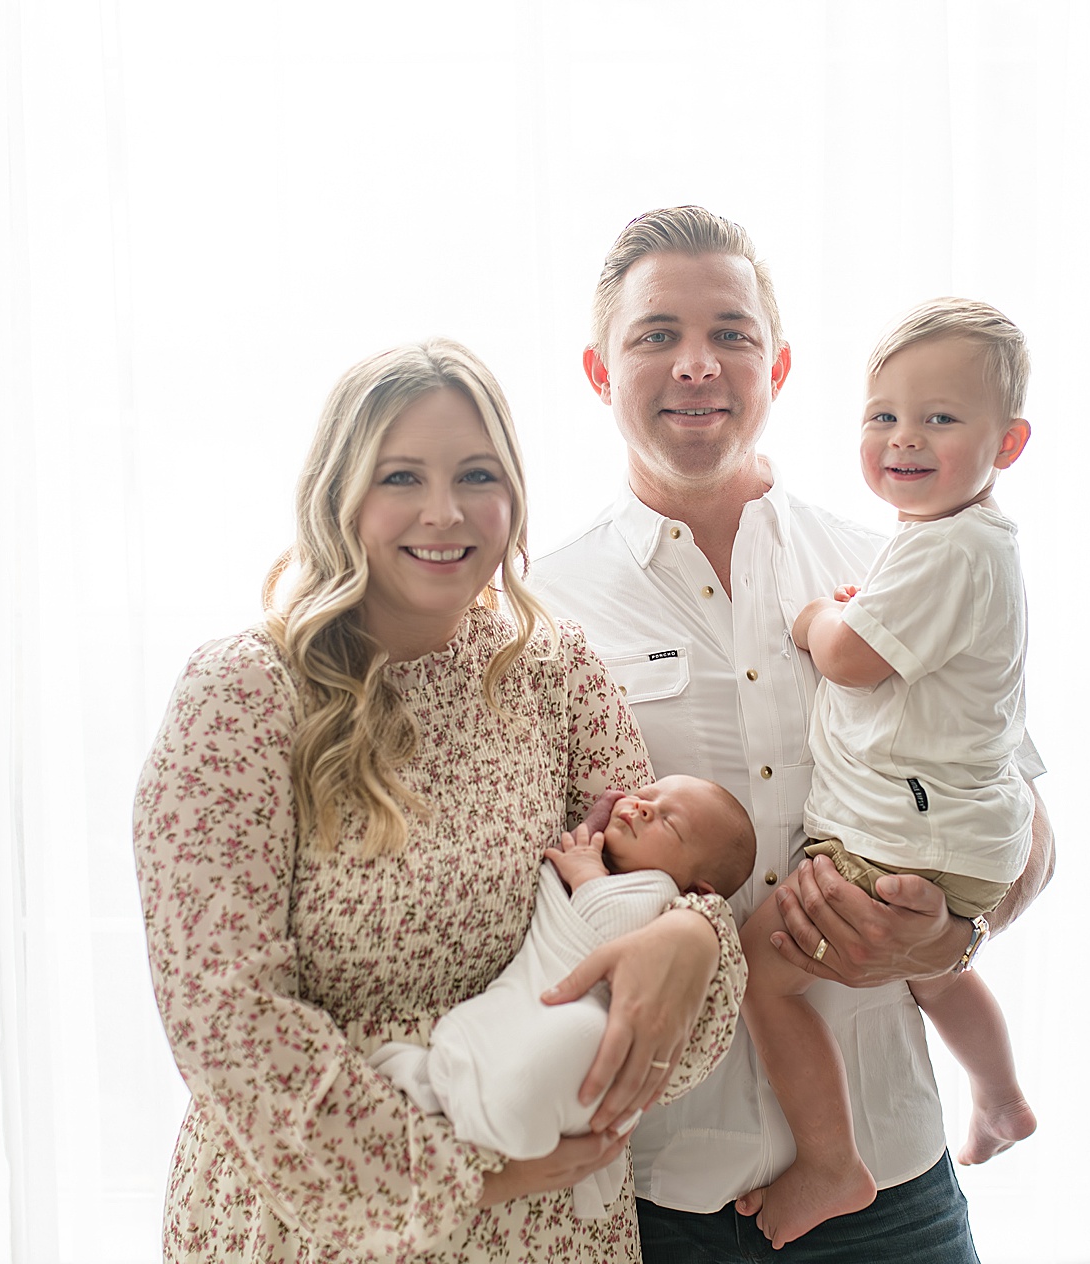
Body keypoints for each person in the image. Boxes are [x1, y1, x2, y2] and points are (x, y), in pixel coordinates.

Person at [132, 339, 749, 1263]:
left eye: (475, 474)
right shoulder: (245, 694)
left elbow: (669, 886)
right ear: (337, 492)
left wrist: (694, 939)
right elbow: (224, 1019)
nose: (444, 511)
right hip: (321, 1226)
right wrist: (469, 1177)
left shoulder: (552, 670)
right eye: (400, 477)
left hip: (549, 1232)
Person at [532, 208, 1057, 1264]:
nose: (696, 364)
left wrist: (950, 935)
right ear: (598, 370)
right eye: (654, 336)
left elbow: (1024, 826)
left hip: (893, 1180)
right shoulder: (542, 611)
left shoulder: (894, 565)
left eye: (729, 332)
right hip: (652, 1189)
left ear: (775, 363)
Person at [736, 299, 1040, 1248]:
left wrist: (814, 621)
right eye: (883, 416)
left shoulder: (933, 549)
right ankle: (998, 1096)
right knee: (933, 978)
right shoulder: (950, 543)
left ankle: (831, 1160)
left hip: (904, 843)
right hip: (948, 840)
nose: (905, 439)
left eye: (940, 418)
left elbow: (852, 658)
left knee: (757, 971)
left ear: (1010, 441)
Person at [370, 775, 757, 1221]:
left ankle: (491, 1109)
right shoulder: (611, 868)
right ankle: (470, 1096)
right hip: (535, 1010)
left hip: (585, 1041)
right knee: (546, 1047)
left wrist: (586, 873)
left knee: (585, 1037)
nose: (642, 807)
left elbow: (610, 928)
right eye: (646, 795)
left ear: (699, 889)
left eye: (670, 823)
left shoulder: (656, 895)